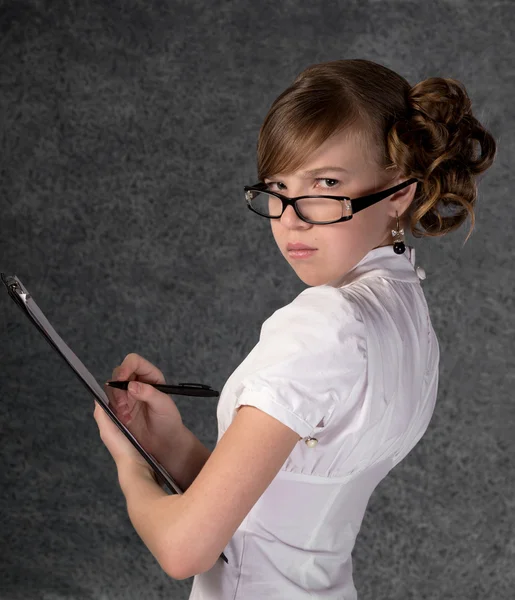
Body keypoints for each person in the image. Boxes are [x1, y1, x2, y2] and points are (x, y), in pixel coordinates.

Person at [93, 59, 497, 599]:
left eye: (325, 183)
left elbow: (186, 548)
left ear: (400, 190)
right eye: (278, 187)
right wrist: (165, 441)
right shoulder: (407, 313)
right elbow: (275, 515)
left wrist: (129, 466)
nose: (290, 217)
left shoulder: (322, 323)